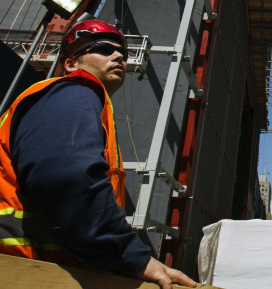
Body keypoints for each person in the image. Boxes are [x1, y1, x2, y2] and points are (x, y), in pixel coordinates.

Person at [0, 20, 195, 289]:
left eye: (123, 54)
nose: (118, 57)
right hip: (24, 269)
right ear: (71, 63)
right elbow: (68, 179)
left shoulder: (83, 105)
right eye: (103, 49)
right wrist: (130, 256)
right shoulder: (72, 93)